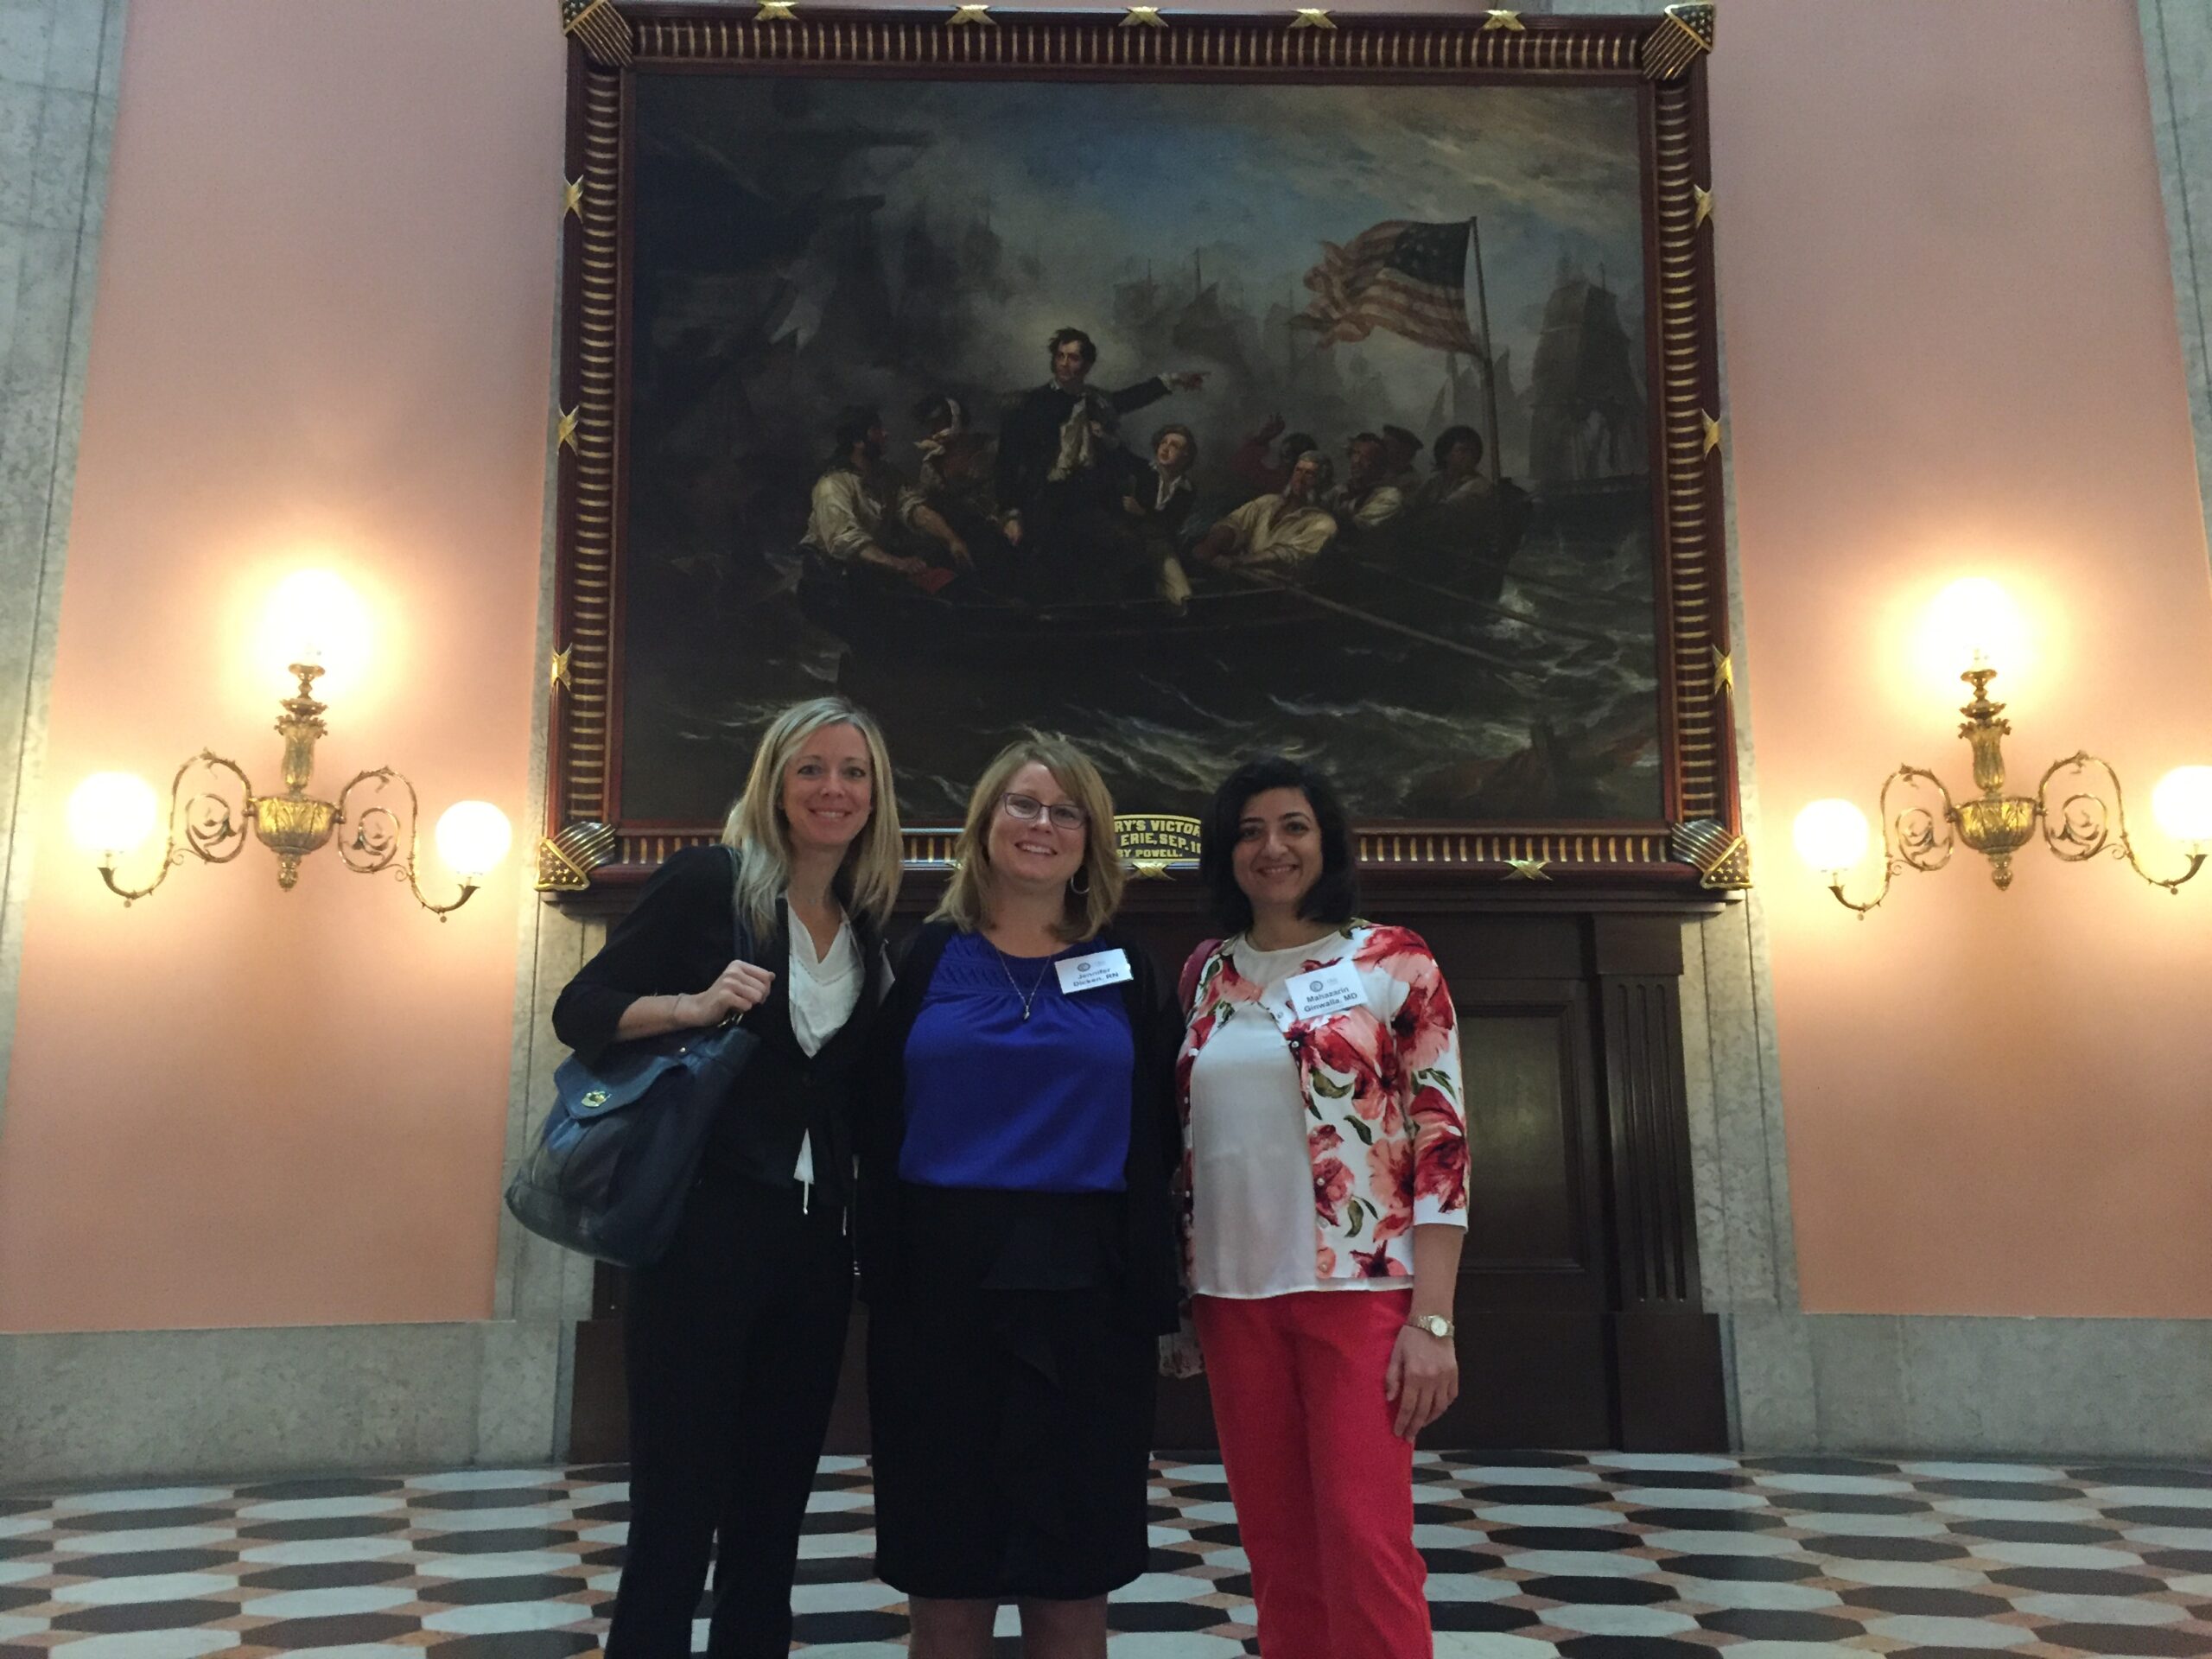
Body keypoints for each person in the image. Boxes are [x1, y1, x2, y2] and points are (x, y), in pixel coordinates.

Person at [551, 697, 904, 1658]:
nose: (833, 789)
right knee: (677, 1501)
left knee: (774, 1506)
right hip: (702, 1230)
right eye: (811, 769)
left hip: (815, 1244)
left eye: (854, 773)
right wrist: (691, 1005)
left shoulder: (867, 919)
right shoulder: (713, 883)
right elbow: (580, 1009)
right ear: (775, 783)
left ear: (875, 796)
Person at [858, 734, 1183, 1659]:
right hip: (938, 1289)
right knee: (946, 1570)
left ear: (1092, 839)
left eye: (1065, 811)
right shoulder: (921, 959)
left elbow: (1163, 1129)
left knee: (1073, 1572)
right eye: (1023, 804)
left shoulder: (1127, 968)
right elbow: (870, 1114)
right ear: (985, 823)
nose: (1043, 825)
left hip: (1090, 1294)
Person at [1168, 754, 1470, 1659]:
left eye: (1293, 826)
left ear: (1326, 840)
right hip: (1232, 1296)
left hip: (1359, 1292)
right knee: (1277, 1550)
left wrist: (1434, 1321)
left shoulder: (1393, 960)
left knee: (1364, 1541)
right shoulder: (1206, 975)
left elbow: (1441, 1140)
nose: (1273, 847)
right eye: (1250, 831)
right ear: (1226, 852)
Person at [994, 327, 1204, 568]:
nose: (1064, 363)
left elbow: (1130, 398)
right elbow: (1008, 462)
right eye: (1060, 356)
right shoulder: (1032, 405)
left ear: (1087, 365)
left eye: (1073, 357)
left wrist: (1174, 379)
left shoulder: (1095, 400)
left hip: (1091, 499)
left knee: (1124, 551)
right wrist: (1010, 513)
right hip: (1045, 499)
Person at [803, 405, 971, 583]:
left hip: (874, 568)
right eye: (876, 430)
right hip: (835, 578)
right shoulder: (832, 486)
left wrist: (952, 539)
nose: (885, 434)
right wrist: (898, 564)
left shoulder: (887, 474)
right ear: (858, 442)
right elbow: (845, 541)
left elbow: (914, 508)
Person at [1190, 449, 1340, 574]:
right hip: (1241, 577)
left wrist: (1239, 561)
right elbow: (1236, 522)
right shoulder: (1267, 502)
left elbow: (1292, 554)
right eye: (1298, 470)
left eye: (1309, 474)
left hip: (1277, 590)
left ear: (1323, 482)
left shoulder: (1323, 522)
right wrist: (1214, 542)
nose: (1300, 479)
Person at [1122, 422, 1200, 607]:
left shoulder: (1187, 489)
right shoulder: (1142, 471)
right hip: (1129, 540)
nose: (1165, 448)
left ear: (1186, 455)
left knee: (1183, 597)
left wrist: (1143, 512)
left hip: (1161, 545)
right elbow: (1120, 454)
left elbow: (1171, 523)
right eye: (1163, 442)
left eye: (1174, 445)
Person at [1330, 431, 1408, 546]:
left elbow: (1356, 529)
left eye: (1367, 457)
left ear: (1380, 466)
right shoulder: (1341, 489)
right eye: (1355, 453)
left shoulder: (1390, 497)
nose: (1357, 461)